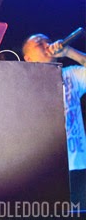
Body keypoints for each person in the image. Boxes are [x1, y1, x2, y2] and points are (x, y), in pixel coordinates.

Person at [23, 33, 86, 206]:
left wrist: (69, 52)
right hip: (42, 170)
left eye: (48, 41)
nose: (46, 44)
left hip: (77, 165)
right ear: (28, 58)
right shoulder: (21, 84)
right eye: (39, 43)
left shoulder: (70, 74)